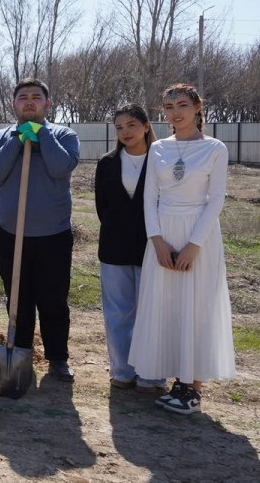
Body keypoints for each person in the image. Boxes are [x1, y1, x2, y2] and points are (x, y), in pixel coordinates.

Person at [130, 83, 234, 414]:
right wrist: (156, 240)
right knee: (169, 306)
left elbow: (215, 200)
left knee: (196, 306)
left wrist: (193, 246)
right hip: (163, 232)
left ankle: (193, 388)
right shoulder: (158, 148)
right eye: (169, 106)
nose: (176, 112)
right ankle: (178, 380)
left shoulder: (215, 148)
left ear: (197, 107)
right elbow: (150, 196)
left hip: (198, 234)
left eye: (183, 105)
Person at [0, 78, 80, 382]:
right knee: (18, 298)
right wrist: (17, 139)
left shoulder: (64, 135)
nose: (29, 102)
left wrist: (41, 133)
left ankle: (57, 357)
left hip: (53, 235)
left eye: (36, 97)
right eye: (23, 97)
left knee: (53, 298)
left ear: (47, 104)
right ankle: (20, 352)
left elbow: (60, 167)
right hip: (10, 234)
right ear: (14, 104)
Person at [94, 104, 165, 392]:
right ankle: (122, 371)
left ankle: (152, 374)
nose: (125, 132)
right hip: (114, 248)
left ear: (146, 126)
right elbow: (102, 207)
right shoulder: (107, 163)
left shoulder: (163, 160)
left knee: (153, 313)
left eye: (131, 125)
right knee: (118, 312)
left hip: (154, 248)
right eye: (119, 127)